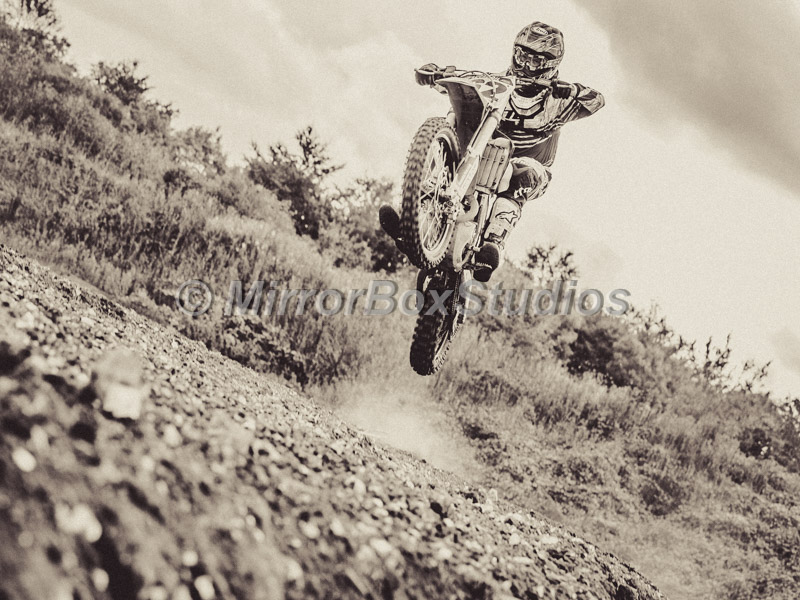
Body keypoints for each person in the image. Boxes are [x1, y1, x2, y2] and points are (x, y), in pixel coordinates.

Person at [381, 21, 605, 281]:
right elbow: (459, 84)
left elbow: (598, 100)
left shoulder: (559, 100)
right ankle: (414, 214)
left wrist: (573, 89)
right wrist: (434, 74)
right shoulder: (498, 83)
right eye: (522, 56)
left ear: (551, 65)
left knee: (524, 174)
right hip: (482, 154)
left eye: (535, 61)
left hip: (528, 165)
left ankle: (493, 243)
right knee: (454, 117)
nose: (526, 65)